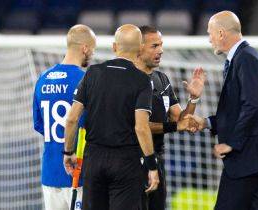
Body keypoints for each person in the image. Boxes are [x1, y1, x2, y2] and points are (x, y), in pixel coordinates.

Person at [190, 11, 258, 209]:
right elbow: (239, 110)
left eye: (210, 33)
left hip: (247, 157)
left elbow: (252, 106)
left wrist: (232, 144)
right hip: (255, 158)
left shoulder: (246, 58)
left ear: (221, 33)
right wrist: (207, 122)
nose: (209, 39)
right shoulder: (243, 57)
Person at [63, 24, 160, 210]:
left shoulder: (93, 73)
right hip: (126, 161)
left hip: (94, 159)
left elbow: (72, 119)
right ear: (140, 49)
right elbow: (141, 127)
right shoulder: (142, 80)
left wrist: (68, 152)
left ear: (114, 47)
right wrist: (151, 166)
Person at [136, 25, 205, 210]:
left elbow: (180, 119)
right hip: (131, 163)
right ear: (139, 47)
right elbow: (139, 125)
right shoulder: (128, 80)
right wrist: (175, 127)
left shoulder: (162, 79)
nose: (161, 50)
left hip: (157, 160)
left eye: (161, 45)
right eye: (154, 45)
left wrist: (194, 98)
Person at [32, 24, 96, 210]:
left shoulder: (43, 79)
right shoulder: (86, 80)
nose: (92, 54)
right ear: (85, 48)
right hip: (79, 171)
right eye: (92, 49)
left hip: (50, 172)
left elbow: (39, 124)